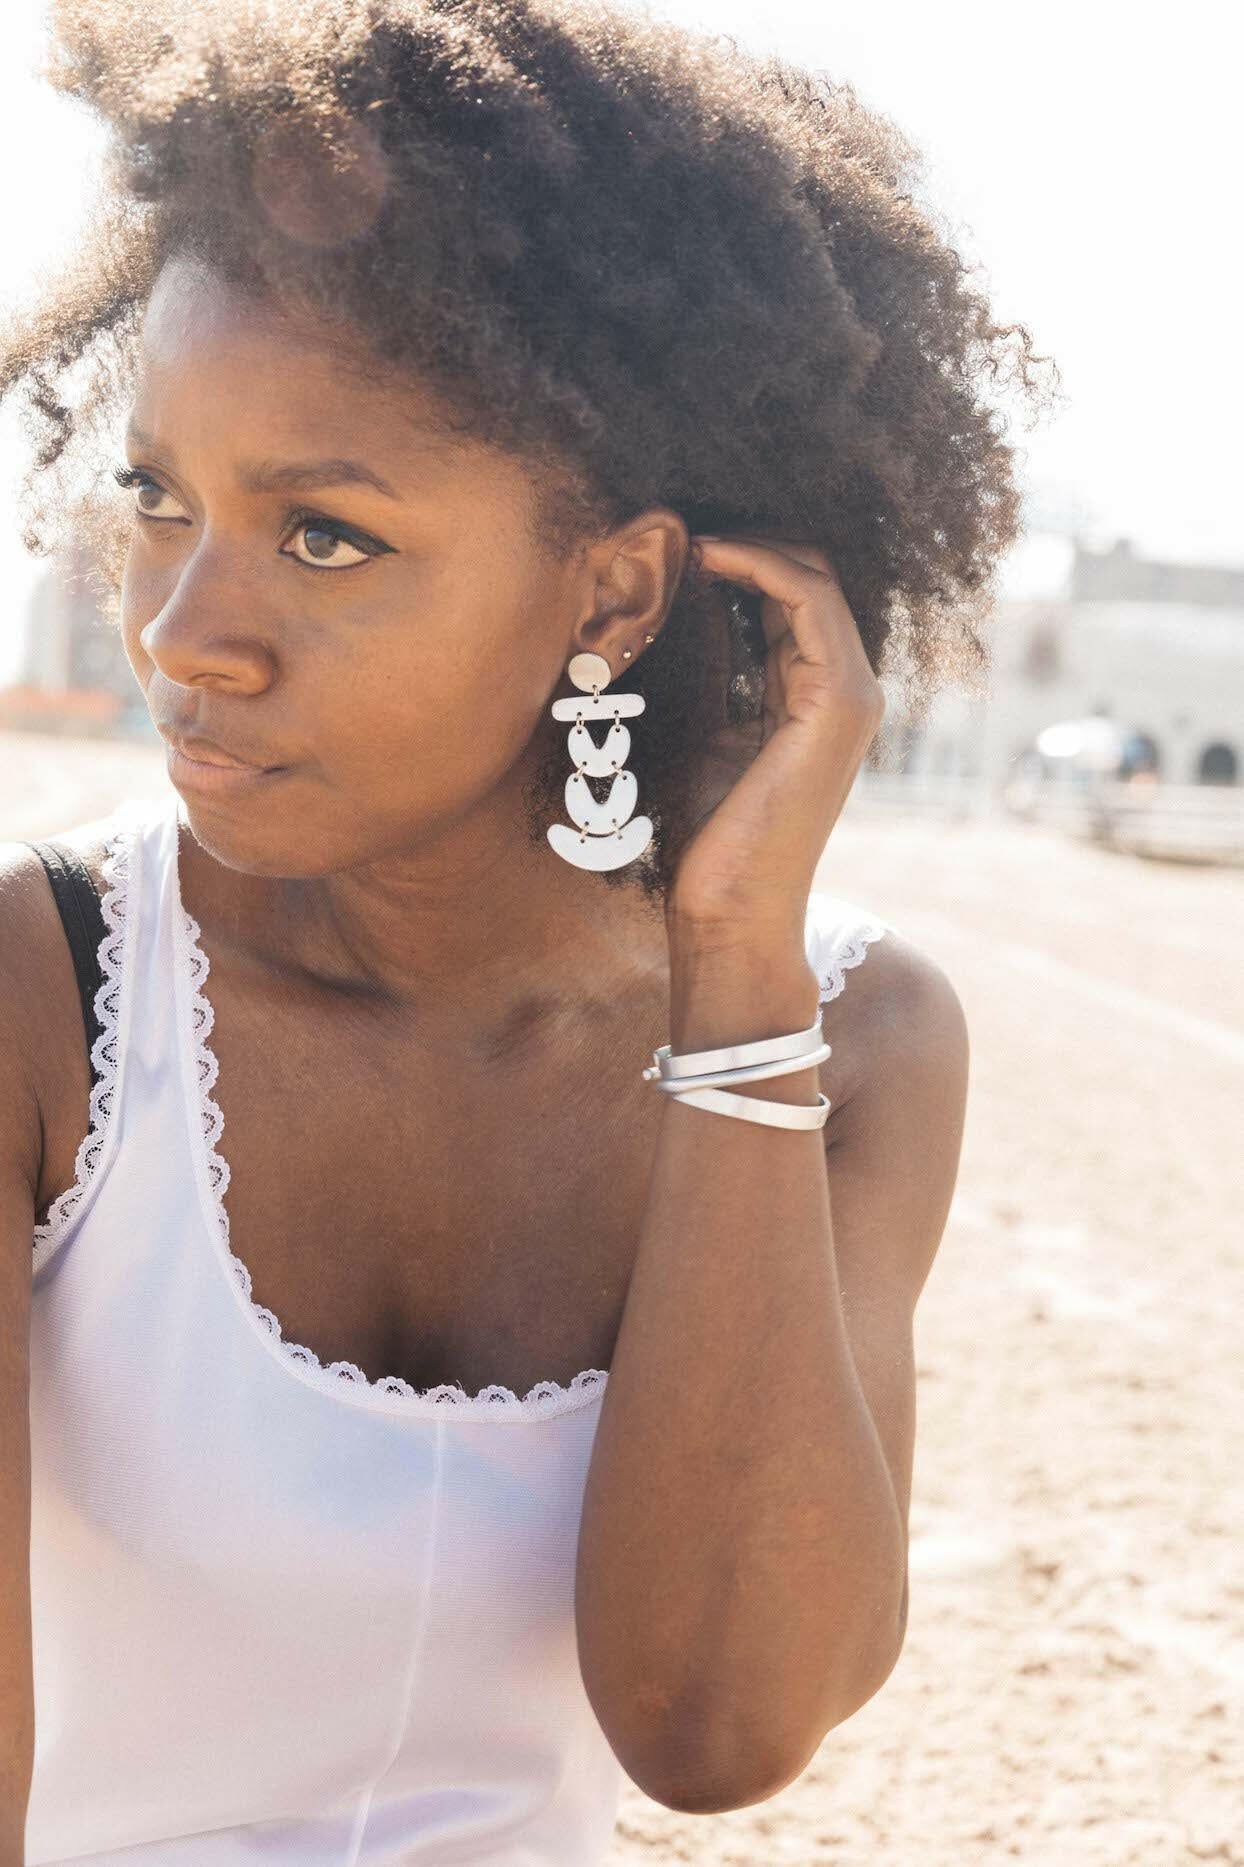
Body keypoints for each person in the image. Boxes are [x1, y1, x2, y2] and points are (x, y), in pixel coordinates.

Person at [0, 0, 1050, 1859]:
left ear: (620, 586)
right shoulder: (42, 993)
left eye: (324, 535)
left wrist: (731, 974)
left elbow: (719, 1726)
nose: (181, 632)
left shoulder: (859, 1043)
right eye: (162, 500)